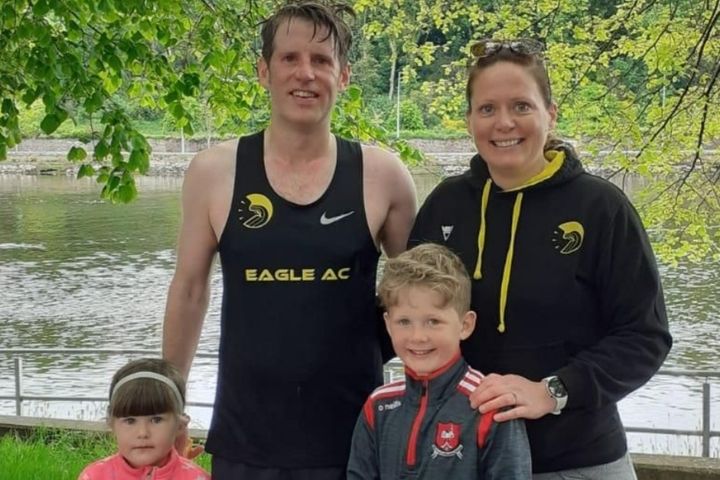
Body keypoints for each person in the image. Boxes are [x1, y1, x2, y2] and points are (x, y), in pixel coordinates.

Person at [162, 1, 417, 478]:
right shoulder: (214, 172)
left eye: (321, 60)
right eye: (290, 58)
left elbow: (422, 301)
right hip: (247, 438)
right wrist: (167, 401)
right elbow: (190, 290)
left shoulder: (383, 176)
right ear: (264, 71)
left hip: (356, 439)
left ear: (343, 76)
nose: (306, 73)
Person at [408, 39, 672, 478]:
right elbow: (408, 315)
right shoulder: (446, 205)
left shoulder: (601, 208)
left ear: (550, 114)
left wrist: (552, 391)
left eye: (521, 106)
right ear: (470, 120)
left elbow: (645, 337)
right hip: (464, 456)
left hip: (578, 459)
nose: (504, 122)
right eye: (487, 108)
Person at [347, 243, 531, 479]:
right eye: (404, 322)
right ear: (388, 324)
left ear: (465, 325)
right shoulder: (378, 405)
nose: (418, 337)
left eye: (433, 321)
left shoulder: (490, 405)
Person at [78, 358, 210, 480]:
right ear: (112, 424)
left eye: (156, 420)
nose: (142, 433)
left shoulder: (196, 477)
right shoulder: (95, 476)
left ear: (180, 425)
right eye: (130, 421)